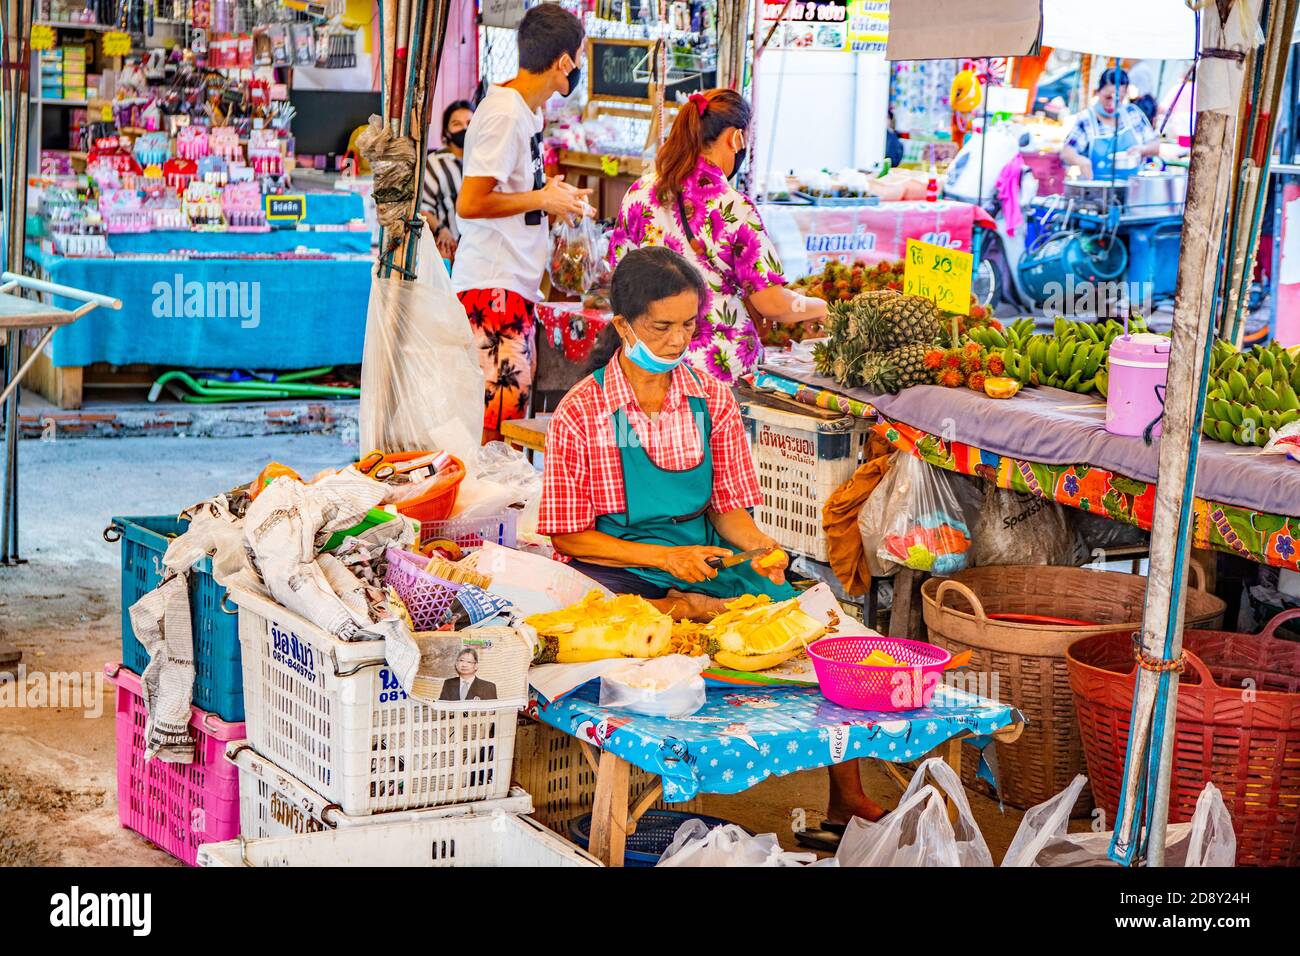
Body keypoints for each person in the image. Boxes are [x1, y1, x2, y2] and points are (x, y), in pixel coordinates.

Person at [538, 246, 888, 829]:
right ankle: (642, 796)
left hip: (703, 553)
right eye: (662, 326)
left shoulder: (711, 398)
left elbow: (729, 511)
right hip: (614, 561)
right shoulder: (584, 410)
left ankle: (844, 792)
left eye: (689, 325)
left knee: (809, 623)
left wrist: (761, 552)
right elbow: (572, 538)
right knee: (652, 626)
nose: (678, 341)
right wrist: (664, 562)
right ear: (624, 325)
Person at [609, 89, 826, 385]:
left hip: (648, 361)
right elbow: (772, 303)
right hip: (714, 373)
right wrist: (821, 307)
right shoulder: (732, 206)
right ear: (735, 139)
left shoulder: (640, 192)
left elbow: (619, 271)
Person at [453, 3, 592, 442]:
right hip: (491, 289)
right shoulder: (505, 114)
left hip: (514, 288)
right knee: (495, 429)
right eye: (580, 56)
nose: (580, 66)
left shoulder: (528, 112)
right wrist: (542, 195)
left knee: (507, 424)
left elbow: (514, 189)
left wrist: (551, 194)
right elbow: (470, 203)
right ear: (564, 61)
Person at [1059, 67, 1160, 182]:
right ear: (1097, 92)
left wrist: (1143, 149)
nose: (1112, 105)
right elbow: (1067, 152)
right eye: (1107, 97)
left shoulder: (1132, 113)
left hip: (1133, 190)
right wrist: (1081, 161)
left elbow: (1156, 146)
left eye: (1118, 99)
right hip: (1098, 191)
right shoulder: (1086, 119)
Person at [421, 99, 473, 262]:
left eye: (470, 123)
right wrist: (441, 229)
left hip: (480, 250)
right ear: (446, 131)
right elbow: (423, 208)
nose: (464, 128)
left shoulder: (484, 161)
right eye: (457, 124)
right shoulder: (434, 163)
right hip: (449, 251)